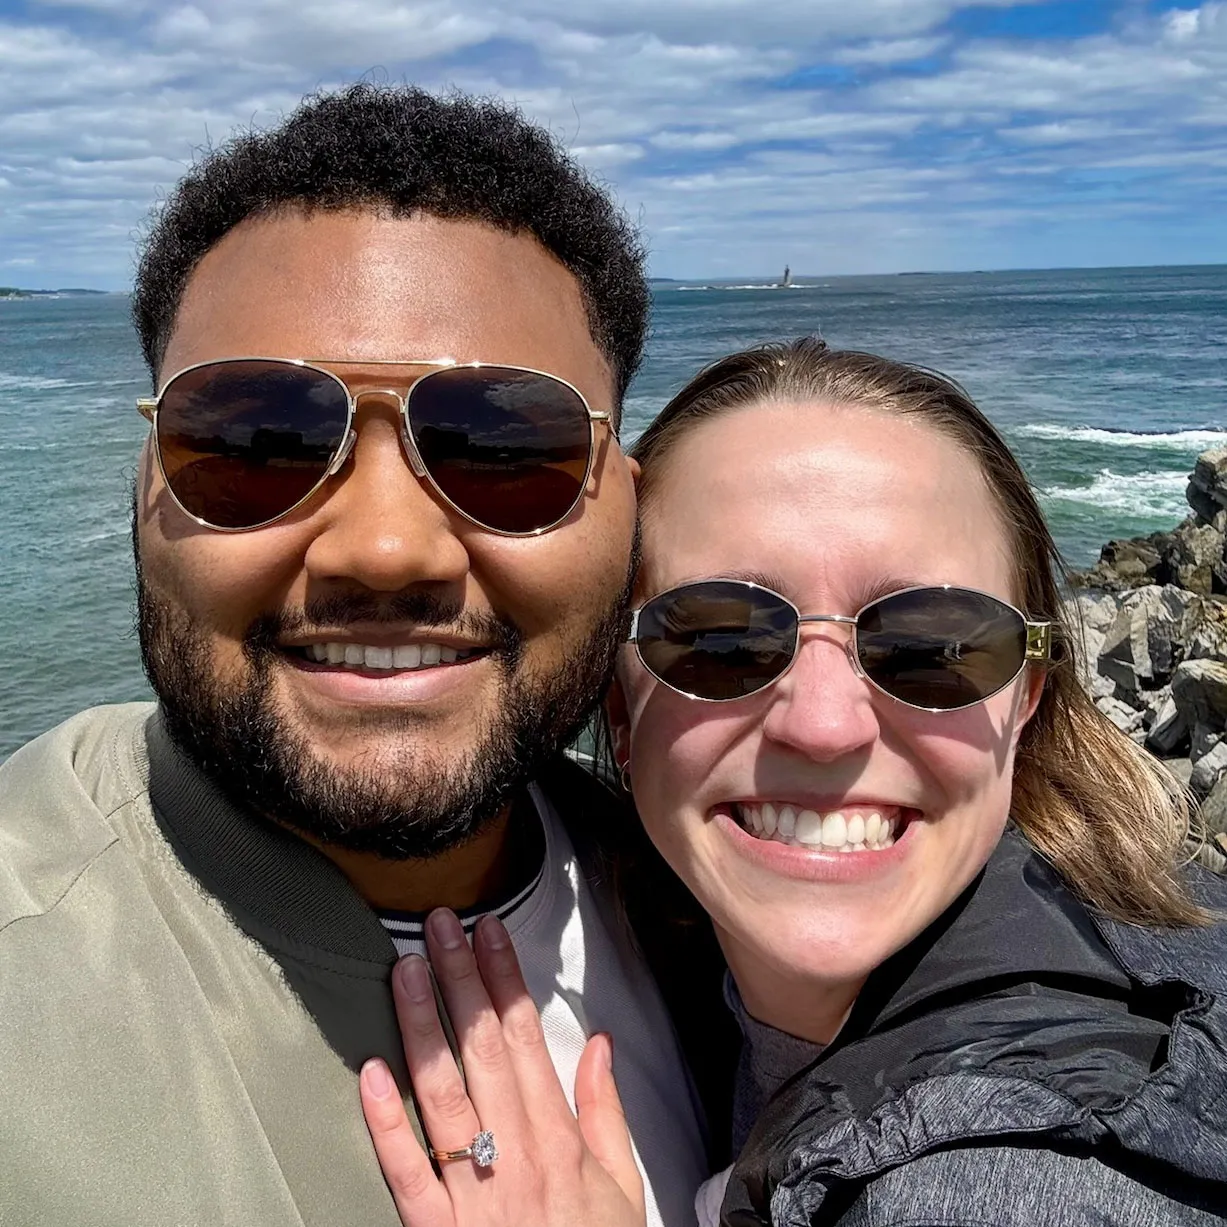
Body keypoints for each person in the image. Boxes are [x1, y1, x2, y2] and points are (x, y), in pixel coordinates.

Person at [0, 84, 711, 1227]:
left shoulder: (727, 904)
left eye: (502, 445)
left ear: (629, 508)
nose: (385, 548)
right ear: (142, 498)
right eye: (251, 440)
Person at [360, 339, 1227, 1226]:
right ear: (619, 712)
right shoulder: (1140, 922)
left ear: (1024, 700)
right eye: (718, 638)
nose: (823, 723)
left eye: (931, 645)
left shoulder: (1015, 1185)